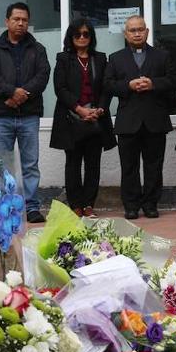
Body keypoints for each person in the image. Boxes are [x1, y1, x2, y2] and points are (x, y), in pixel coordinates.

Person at [0, 2, 51, 224]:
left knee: (30, 163)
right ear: (7, 21)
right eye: (16, 19)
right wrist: (11, 93)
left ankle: (31, 207)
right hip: (3, 113)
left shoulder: (37, 49)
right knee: (2, 163)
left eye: (24, 20)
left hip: (29, 114)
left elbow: (43, 75)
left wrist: (24, 94)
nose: (21, 23)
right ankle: (5, 207)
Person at [104, 15, 176, 220]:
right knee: (129, 166)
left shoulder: (162, 56)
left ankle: (151, 204)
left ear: (147, 32)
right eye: (132, 30)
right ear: (125, 34)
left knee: (154, 165)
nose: (137, 33)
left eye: (140, 29)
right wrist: (128, 85)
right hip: (128, 121)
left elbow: (173, 80)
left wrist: (153, 84)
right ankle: (131, 205)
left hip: (155, 119)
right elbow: (108, 84)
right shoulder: (116, 58)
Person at [50, 20, 115, 217]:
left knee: (93, 164)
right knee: (73, 164)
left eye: (86, 34)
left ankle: (89, 204)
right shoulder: (64, 59)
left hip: (96, 119)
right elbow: (60, 88)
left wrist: (100, 109)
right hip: (72, 118)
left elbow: (107, 87)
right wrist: (79, 109)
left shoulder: (100, 59)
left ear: (91, 37)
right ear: (71, 37)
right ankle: (75, 204)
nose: (81, 38)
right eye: (77, 34)